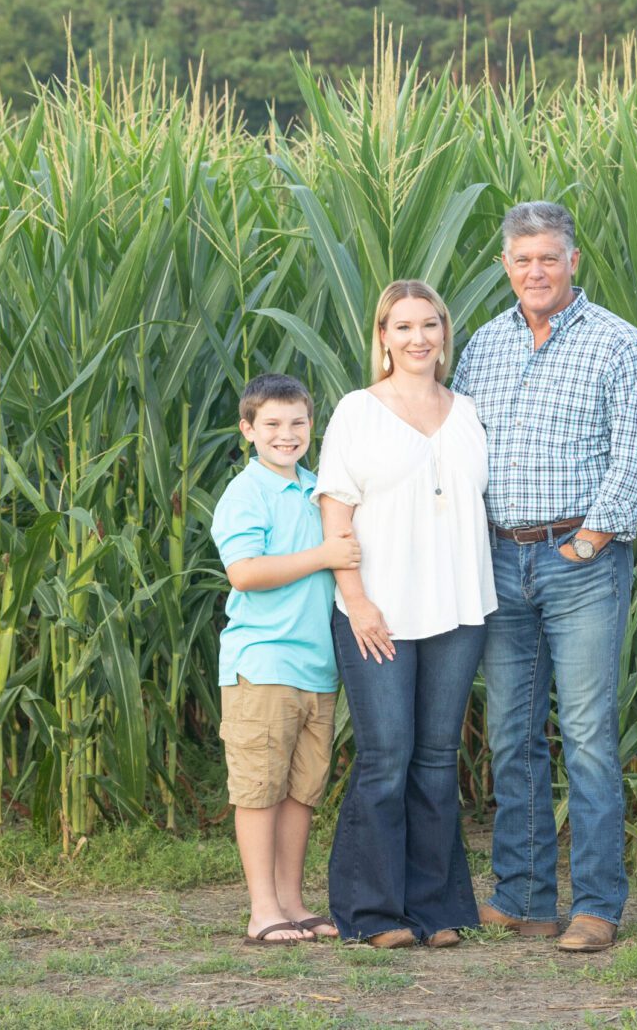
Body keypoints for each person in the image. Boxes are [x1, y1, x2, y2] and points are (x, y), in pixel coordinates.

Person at [451, 201, 637, 952]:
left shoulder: (616, 342)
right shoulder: (482, 345)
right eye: (521, 260)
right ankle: (525, 894)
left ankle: (597, 905)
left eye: (548, 257)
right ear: (504, 267)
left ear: (574, 260)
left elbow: (636, 453)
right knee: (511, 734)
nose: (534, 271)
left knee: (586, 737)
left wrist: (590, 539)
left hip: (580, 563)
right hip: (499, 560)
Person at [314, 279, 496, 949]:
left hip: (458, 609)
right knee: (386, 758)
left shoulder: (468, 411)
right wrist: (356, 600)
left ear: (444, 334)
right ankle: (371, 914)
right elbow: (335, 510)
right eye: (402, 326)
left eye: (429, 325)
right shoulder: (358, 411)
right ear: (382, 337)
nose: (417, 337)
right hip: (378, 611)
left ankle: (433, 908)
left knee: (435, 762)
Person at [211, 373, 361, 946]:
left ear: (311, 426)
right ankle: (262, 909)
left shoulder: (316, 488)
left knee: (302, 790)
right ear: (248, 430)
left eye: (297, 422)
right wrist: (323, 554)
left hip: (315, 668)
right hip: (263, 664)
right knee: (259, 788)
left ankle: (293, 901)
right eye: (271, 424)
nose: (286, 433)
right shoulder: (246, 494)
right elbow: (245, 572)